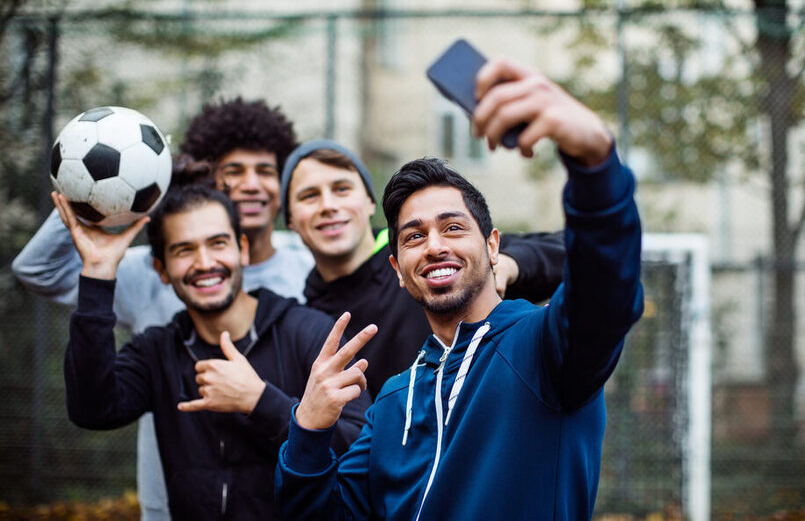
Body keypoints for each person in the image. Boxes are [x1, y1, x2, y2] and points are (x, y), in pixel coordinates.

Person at [275, 58, 645, 520]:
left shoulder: (544, 347)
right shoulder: (392, 400)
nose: (433, 246)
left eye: (452, 228)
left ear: (493, 246)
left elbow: (605, 288)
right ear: (398, 268)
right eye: (413, 236)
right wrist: (307, 428)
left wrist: (594, 163)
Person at [12, 98, 313, 520]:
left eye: (265, 171)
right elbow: (38, 271)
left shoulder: (307, 273)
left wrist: (260, 401)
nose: (250, 184)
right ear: (165, 268)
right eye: (233, 172)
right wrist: (87, 193)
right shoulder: (153, 277)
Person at [58, 178, 370, 520]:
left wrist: (261, 402)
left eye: (217, 243)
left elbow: (358, 451)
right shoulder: (158, 350)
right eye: (184, 250)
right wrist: (98, 275)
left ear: (243, 250)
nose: (205, 263)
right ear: (161, 269)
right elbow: (93, 409)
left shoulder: (310, 333)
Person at [279, 139, 565, 397]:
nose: (328, 205)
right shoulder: (306, 320)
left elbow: (573, 253)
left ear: (368, 202)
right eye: (309, 196)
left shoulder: (442, 253)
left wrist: (509, 264)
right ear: (289, 219)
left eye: (342, 189)